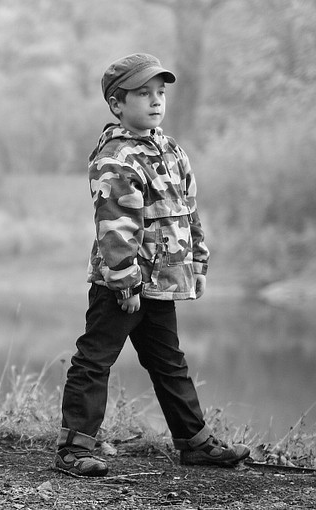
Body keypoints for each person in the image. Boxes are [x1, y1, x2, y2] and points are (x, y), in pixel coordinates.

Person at [54, 53, 250, 478]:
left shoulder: (171, 149)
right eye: (143, 93)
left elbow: (188, 210)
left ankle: (194, 442)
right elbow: (115, 224)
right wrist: (124, 280)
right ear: (117, 103)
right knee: (95, 358)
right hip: (123, 284)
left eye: (160, 92)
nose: (156, 100)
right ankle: (73, 449)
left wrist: (198, 259)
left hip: (161, 281)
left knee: (168, 361)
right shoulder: (116, 157)